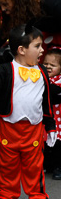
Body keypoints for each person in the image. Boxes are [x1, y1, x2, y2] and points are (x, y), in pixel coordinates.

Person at [0, 26, 56, 199]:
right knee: (7, 165)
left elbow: (46, 101)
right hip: (8, 126)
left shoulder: (41, 72)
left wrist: (50, 126)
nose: (42, 50)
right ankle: (6, 196)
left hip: (33, 128)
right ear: (21, 50)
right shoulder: (4, 70)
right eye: (38, 46)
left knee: (34, 166)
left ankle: (37, 197)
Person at [42, 48, 61, 181]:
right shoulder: (41, 78)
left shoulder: (58, 81)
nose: (48, 67)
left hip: (58, 119)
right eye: (46, 64)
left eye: (52, 65)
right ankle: (46, 164)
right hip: (44, 117)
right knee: (45, 142)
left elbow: (54, 93)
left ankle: (58, 166)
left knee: (58, 144)